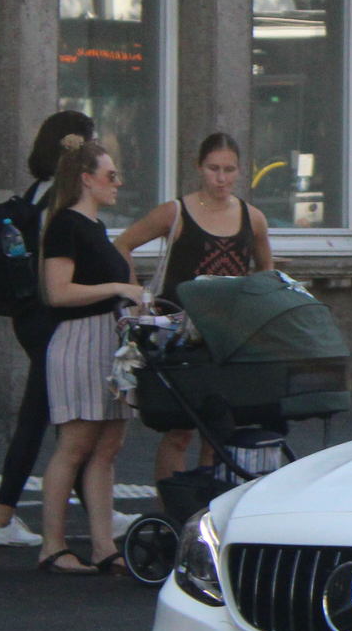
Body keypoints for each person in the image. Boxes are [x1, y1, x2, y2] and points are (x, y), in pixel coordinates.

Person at [114, 132, 275, 481]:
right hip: (179, 334)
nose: (221, 178)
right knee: (180, 428)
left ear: (240, 171)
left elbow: (267, 275)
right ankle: (172, 506)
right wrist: (135, 296)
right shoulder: (176, 212)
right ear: (199, 168)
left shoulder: (254, 218)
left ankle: (206, 501)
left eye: (229, 170)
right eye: (214, 169)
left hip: (228, 334)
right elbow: (123, 243)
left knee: (220, 426)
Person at [0, 110, 97, 548]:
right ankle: (4, 519)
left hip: (27, 314)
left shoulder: (33, 194)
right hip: (53, 317)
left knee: (45, 416)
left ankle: (4, 517)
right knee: (67, 422)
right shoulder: (62, 202)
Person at [35, 136, 148, 574]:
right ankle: (53, 544)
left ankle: (103, 545)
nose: (117, 182)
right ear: (86, 179)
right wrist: (119, 288)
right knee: (76, 443)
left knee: (107, 446)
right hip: (82, 339)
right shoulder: (66, 224)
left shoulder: (94, 228)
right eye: (110, 175)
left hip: (109, 340)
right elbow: (57, 292)